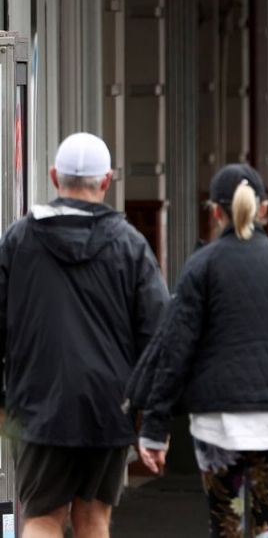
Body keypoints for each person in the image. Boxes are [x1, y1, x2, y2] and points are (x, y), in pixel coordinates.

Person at [127, 164, 268, 538]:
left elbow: (175, 351)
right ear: (264, 209)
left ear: (216, 211)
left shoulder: (201, 267)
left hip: (217, 419)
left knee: (225, 527)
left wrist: (155, 429)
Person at [0, 132, 169, 537]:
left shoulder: (18, 240)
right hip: (108, 407)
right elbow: (158, 334)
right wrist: (151, 415)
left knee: (41, 518)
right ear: (107, 180)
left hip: (38, 405)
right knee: (94, 520)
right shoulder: (130, 245)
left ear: (55, 177)